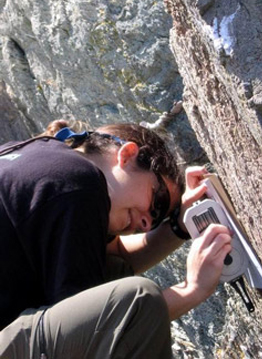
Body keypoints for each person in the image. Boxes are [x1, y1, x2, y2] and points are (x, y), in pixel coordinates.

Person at [0, 119, 232, 359]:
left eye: (160, 217)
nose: (147, 224)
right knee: (138, 301)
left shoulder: (41, 155)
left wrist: (179, 226)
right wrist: (193, 288)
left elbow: (117, 256)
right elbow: (99, 329)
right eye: (157, 201)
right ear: (128, 154)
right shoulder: (79, 184)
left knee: (115, 275)